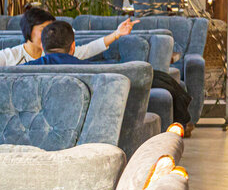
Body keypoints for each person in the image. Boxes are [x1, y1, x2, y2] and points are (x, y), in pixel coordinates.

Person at [26, 19, 195, 131]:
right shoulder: (97, 73)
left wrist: (116, 34)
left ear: (42, 46)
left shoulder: (22, 71)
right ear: (73, 47)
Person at [0, 6, 134, 66]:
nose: (49, 33)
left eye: (51, 29)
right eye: (43, 29)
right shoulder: (9, 57)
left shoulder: (59, 52)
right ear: (29, 31)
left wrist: (116, 34)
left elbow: (89, 49)